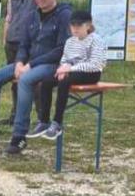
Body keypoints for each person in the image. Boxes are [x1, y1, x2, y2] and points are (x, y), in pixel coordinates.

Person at [0, 0, 71, 154]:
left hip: (52, 64)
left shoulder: (64, 15)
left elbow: (63, 48)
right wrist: (19, 62)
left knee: (25, 80)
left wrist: (30, 65)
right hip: (27, 62)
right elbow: (23, 44)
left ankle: (19, 136)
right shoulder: (33, 15)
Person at [33, 11, 105, 140]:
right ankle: (44, 121)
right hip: (70, 71)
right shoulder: (70, 41)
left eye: (79, 25)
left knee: (64, 82)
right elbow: (64, 59)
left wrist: (69, 69)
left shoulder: (96, 40)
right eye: (73, 25)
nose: (75, 28)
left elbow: (95, 64)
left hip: (90, 73)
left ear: (88, 26)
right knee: (46, 81)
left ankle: (57, 122)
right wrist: (63, 68)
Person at [1, 0, 36, 127]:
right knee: (14, 80)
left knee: (27, 79)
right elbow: (9, 17)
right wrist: (5, 37)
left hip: (29, 41)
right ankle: (14, 113)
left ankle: (26, 116)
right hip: (12, 40)